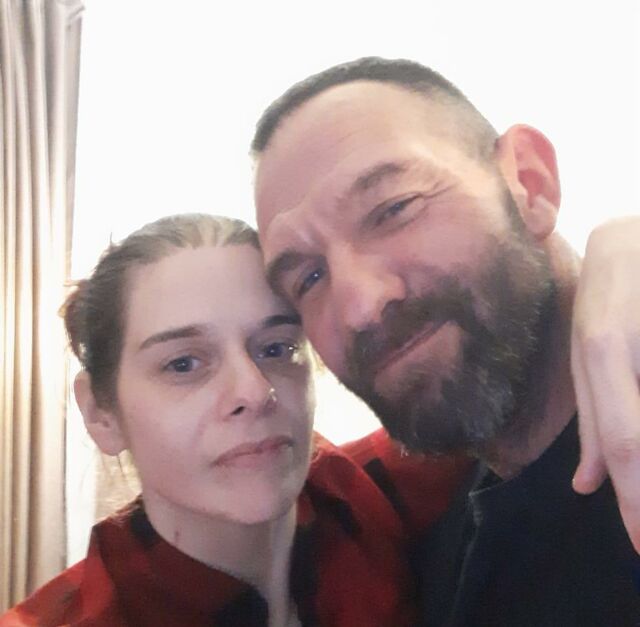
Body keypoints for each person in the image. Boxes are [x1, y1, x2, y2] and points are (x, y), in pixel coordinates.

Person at [251, 57, 640, 625]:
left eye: (394, 209)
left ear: (529, 183)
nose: (360, 307)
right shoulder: (425, 548)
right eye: (309, 278)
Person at [0, 214, 469, 627]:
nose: (254, 391)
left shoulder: (390, 496)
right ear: (101, 414)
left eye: (276, 348)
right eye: (183, 364)